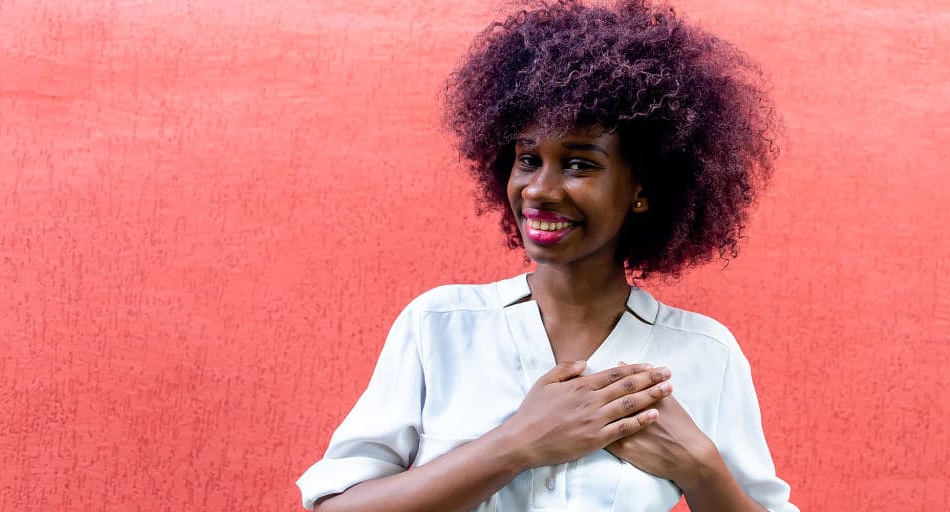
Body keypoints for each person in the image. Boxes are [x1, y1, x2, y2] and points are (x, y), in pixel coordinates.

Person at [297, 0, 797, 510]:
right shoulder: (439, 326)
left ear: (642, 189)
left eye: (579, 164)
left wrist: (700, 468)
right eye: (528, 159)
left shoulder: (705, 354)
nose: (539, 189)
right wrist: (515, 444)